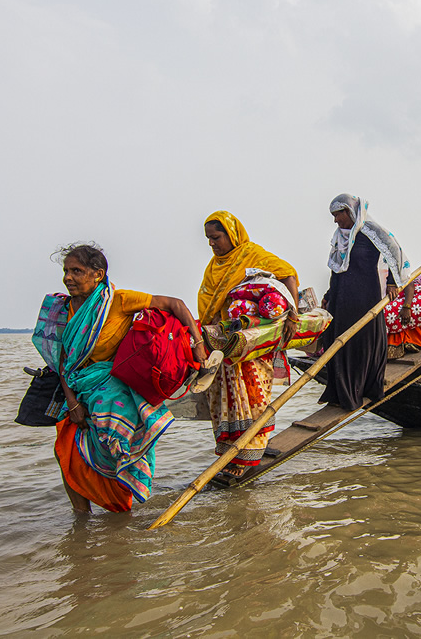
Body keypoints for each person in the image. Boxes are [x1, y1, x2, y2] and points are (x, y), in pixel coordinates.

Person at [32, 242, 206, 513]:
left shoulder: (118, 300)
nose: (68, 277)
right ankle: (81, 518)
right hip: (76, 389)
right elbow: (62, 362)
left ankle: (120, 519)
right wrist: (72, 402)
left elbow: (175, 304)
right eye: (66, 271)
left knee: (115, 448)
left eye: (76, 271)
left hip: (111, 387)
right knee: (67, 453)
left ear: (98, 274)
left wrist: (197, 343)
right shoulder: (61, 310)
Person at [200, 211, 299, 477]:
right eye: (209, 239)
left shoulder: (251, 255)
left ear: (232, 235)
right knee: (227, 399)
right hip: (225, 342)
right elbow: (210, 304)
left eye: (217, 238)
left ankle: (251, 450)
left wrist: (293, 315)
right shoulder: (214, 266)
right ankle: (233, 448)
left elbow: (288, 275)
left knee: (254, 395)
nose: (212, 244)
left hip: (252, 341)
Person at [321, 193, 411, 410]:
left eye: (337, 215)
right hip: (341, 295)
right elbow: (337, 269)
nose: (335, 220)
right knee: (337, 339)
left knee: (363, 340)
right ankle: (342, 391)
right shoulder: (339, 236)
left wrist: (391, 281)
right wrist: (328, 295)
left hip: (364, 295)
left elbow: (395, 254)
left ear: (350, 211)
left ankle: (362, 388)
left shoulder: (371, 231)